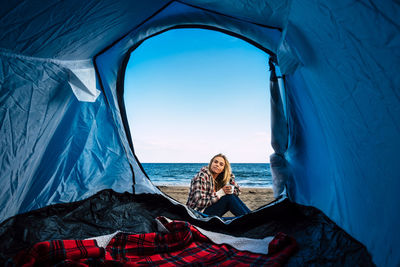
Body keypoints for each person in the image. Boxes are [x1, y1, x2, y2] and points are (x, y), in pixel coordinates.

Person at [186, 153, 251, 217]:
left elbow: (238, 191)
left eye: (221, 164)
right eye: (215, 162)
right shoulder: (201, 176)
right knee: (228, 197)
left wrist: (229, 179)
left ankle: (251, 216)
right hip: (196, 214)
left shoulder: (219, 179)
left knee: (231, 195)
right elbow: (199, 202)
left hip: (207, 211)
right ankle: (251, 219)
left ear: (223, 169)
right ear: (211, 163)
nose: (217, 165)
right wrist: (221, 193)